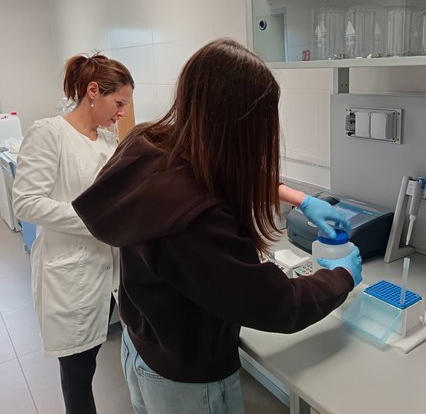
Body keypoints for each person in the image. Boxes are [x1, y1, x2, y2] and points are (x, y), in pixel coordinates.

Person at [72, 38, 362, 414]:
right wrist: (340, 277)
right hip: (186, 381)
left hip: (142, 346)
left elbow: (218, 168)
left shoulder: (148, 143)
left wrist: (300, 199)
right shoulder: (197, 218)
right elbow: (275, 304)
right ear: (241, 124)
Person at [12, 53, 135, 414]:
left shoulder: (109, 143)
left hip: (108, 273)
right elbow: (26, 203)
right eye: (119, 103)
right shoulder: (50, 133)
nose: (122, 113)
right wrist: (96, 221)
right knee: (78, 375)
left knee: (97, 357)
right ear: (93, 91)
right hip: (70, 277)